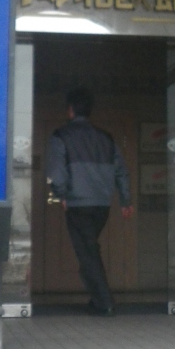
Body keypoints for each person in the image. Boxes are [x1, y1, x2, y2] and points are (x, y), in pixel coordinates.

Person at [46, 86, 133, 315]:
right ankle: (97, 300)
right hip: (102, 205)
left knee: (87, 252)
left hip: (77, 204)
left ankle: (105, 303)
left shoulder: (61, 136)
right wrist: (125, 201)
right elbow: (121, 172)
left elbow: (55, 172)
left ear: (70, 110)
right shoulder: (106, 138)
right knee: (89, 249)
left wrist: (60, 195)